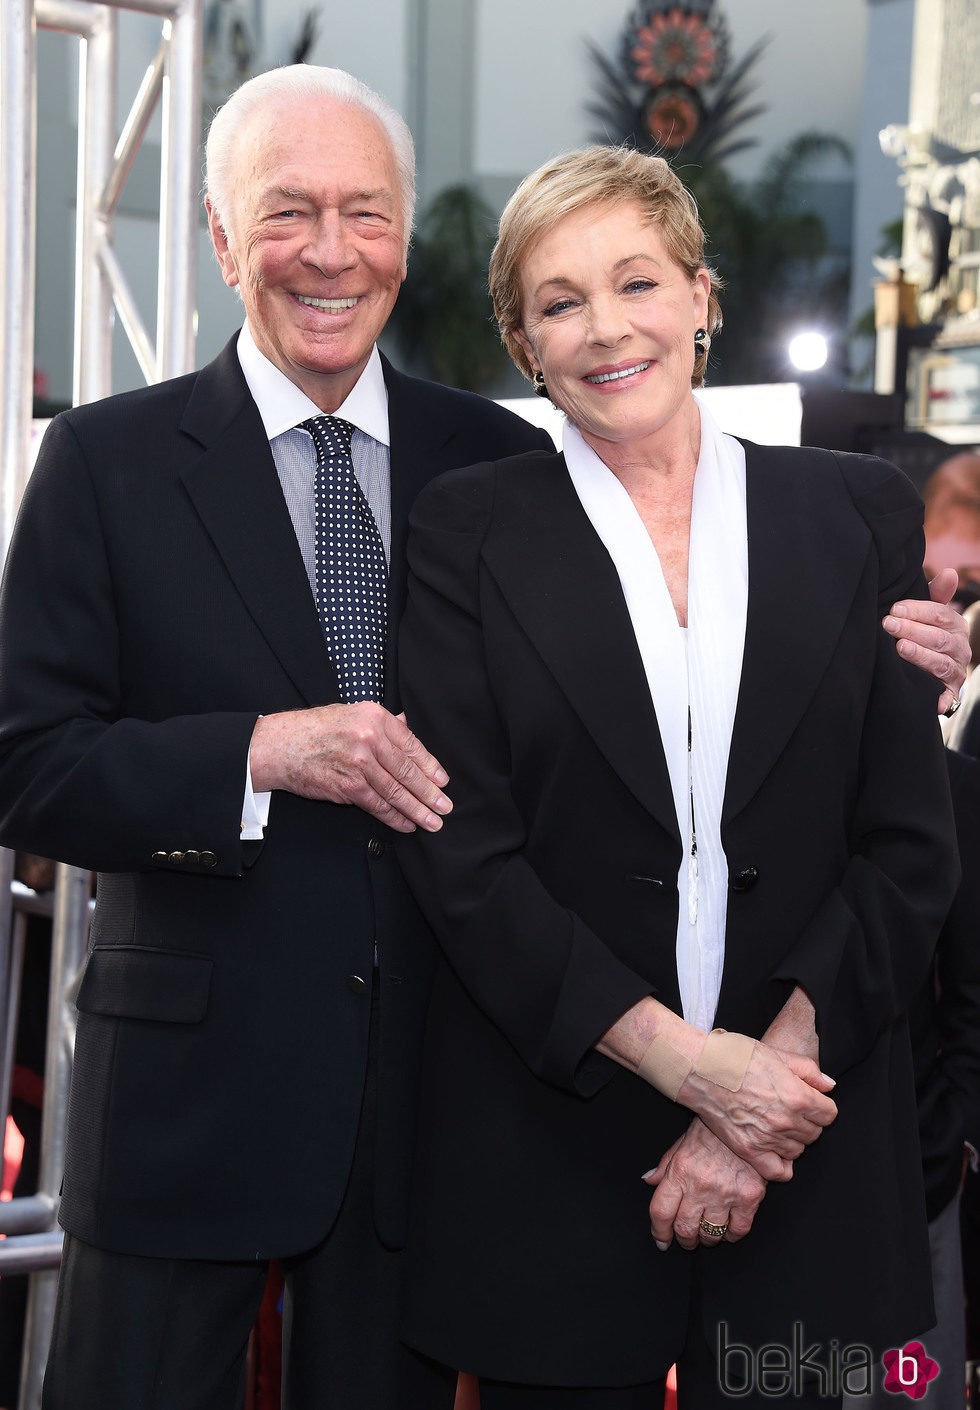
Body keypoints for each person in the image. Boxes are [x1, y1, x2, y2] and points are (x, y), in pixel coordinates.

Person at [0, 65, 553, 1410]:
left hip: (425, 1094)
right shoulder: (105, 460)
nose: (328, 250)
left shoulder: (499, 463)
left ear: (404, 239)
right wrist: (254, 753)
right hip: (182, 1098)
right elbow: (27, 763)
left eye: (364, 212)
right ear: (218, 236)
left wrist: (889, 645)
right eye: (287, 210)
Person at [395, 146, 962, 1409]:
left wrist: (755, 1102)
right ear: (522, 345)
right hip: (557, 1144)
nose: (606, 329)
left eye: (636, 282)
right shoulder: (466, 531)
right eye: (558, 302)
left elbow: (906, 847)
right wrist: (689, 1070)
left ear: (702, 297)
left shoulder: (858, 511)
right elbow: (463, 855)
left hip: (810, 1140)